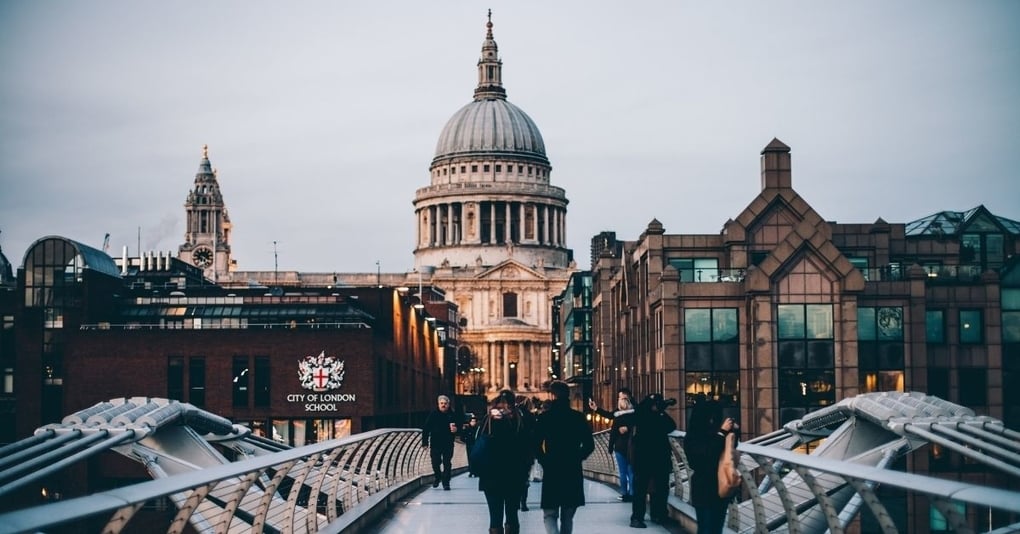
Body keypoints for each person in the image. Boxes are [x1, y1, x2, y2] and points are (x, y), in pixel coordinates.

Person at [534, 380, 595, 534]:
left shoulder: (545, 418)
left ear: (552, 396)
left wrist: (544, 461)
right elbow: (589, 445)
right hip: (572, 469)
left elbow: (534, 444)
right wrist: (577, 458)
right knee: (568, 516)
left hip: (552, 468)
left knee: (550, 513)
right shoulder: (578, 418)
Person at [477, 389, 533, 534]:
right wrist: (525, 470)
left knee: (495, 517)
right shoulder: (520, 421)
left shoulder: (488, 421)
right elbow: (529, 448)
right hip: (515, 476)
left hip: (490, 476)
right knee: (512, 515)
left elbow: (478, 444)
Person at [684, 399, 740, 534]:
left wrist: (733, 433)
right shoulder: (693, 436)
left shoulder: (715, 433)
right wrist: (721, 433)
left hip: (719, 487)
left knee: (716, 528)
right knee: (706, 528)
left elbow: (729, 450)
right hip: (704, 489)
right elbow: (705, 455)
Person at [629, 393, 677, 529]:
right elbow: (669, 426)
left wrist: (660, 412)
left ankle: (657, 514)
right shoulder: (641, 414)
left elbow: (671, 426)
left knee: (660, 488)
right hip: (645, 457)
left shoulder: (657, 416)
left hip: (656, 457)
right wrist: (657, 412)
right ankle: (638, 517)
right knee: (641, 489)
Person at [588, 387, 636, 502]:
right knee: (631, 471)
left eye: (620, 397)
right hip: (632, 446)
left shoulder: (618, 416)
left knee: (622, 472)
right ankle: (633, 493)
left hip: (619, 447)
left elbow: (613, 430)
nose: (618, 399)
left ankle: (624, 493)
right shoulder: (635, 414)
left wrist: (610, 448)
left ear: (625, 398)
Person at [421, 394, 460, 490]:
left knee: (447, 463)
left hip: (448, 443)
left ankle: (446, 483)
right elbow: (426, 429)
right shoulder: (433, 414)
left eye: (445, 403)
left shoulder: (453, 415)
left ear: (448, 404)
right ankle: (438, 477)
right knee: (435, 462)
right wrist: (425, 443)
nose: (443, 405)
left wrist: (457, 430)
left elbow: (460, 427)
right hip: (435, 443)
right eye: (441, 403)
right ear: (438, 404)